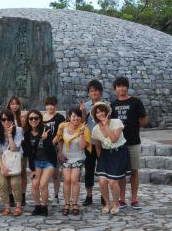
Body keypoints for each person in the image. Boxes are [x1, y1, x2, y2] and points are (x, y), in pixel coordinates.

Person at [110, 76, 148, 209]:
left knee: (134, 171)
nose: (121, 88)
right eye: (118, 86)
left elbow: (144, 119)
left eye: (123, 85)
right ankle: (121, 199)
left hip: (133, 141)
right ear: (115, 89)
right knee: (120, 173)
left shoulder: (136, 102)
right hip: (119, 144)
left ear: (127, 87)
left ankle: (134, 198)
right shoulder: (112, 105)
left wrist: (135, 128)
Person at [91, 102, 131, 215]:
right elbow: (98, 146)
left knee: (113, 181)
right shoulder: (95, 129)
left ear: (107, 111)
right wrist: (100, 160)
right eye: (97, 112)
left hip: (119, 153)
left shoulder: (116, 122)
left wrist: (105, 125)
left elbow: (113, 139)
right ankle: (107, 204)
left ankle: (116, 204)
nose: (100, 113)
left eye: (102, 110)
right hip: (105, 155)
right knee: (102, 181)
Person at [54, 108, 91, 216]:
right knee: (67, 180)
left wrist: (82, 133)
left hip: (78, 157)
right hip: (66, 157)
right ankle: (66, 204)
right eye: (73, 116)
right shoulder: (63, 126)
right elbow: (60, 140)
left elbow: (82, 146)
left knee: (74, 180)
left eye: (78, 116)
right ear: (69, 117)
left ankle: (75, 204)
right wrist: (60, 153)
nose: (76, 118)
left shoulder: (84, 128)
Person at [23, 109, 57, 216]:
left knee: (43, 184)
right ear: (28, 120)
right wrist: (32, 169)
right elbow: (29, 153)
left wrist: (46, 139)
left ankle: (45, 206)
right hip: (36, 162)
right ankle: (37, 206)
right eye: (31, 118)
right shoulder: (27, 134)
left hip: (48, 161)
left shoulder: (46, 130)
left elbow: (51, 148)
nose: (33, 120)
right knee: (34, 184)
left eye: (36, 118)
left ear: (40, 119)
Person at [0, 109, 24, 217]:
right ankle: (7, 207)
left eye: (9, 119)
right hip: (3, 163)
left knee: (15, 183)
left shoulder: (18, 130)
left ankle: (18, 207)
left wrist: (10, 135)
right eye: (3, 119)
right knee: (2, 183)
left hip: (14, 162)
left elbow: (15, 149)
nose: (6, 122)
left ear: (12, 120)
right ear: (0, 121)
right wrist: (2, 168)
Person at [81, 79, 104, 207]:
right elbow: (82, 123)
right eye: (91, 91)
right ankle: (89, 196)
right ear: (89, 93)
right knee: (89, 169)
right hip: (89, 143)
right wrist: (83, 113)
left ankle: (103, 195)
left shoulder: (106, 106)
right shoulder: (86, 105)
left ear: (100, 91)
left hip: (103, 143)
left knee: (103, 170)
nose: (94, 92)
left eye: (95, 90)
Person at [42, 96, 65, 206]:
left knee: (55, 174)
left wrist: (60, 151)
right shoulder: (41, 118)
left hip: (55, 148)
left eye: (52, 104)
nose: (50, 107)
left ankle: (56, 196)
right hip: (44, 149)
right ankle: (44, 196)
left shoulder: (59, 117)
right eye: (48, 105)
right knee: (44, 174)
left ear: (56, 106)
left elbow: (61, 136)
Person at [7, 96, 27, 206]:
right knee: (10, 174)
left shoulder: (21, 117)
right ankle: (10, 196)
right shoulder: (5, 117)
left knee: (22, 172)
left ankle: (22, 195)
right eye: (12, 103)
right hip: (8, 149)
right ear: (9, 104)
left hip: (20, 148)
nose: (14, 105)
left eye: (16, 103)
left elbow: (24, 132)